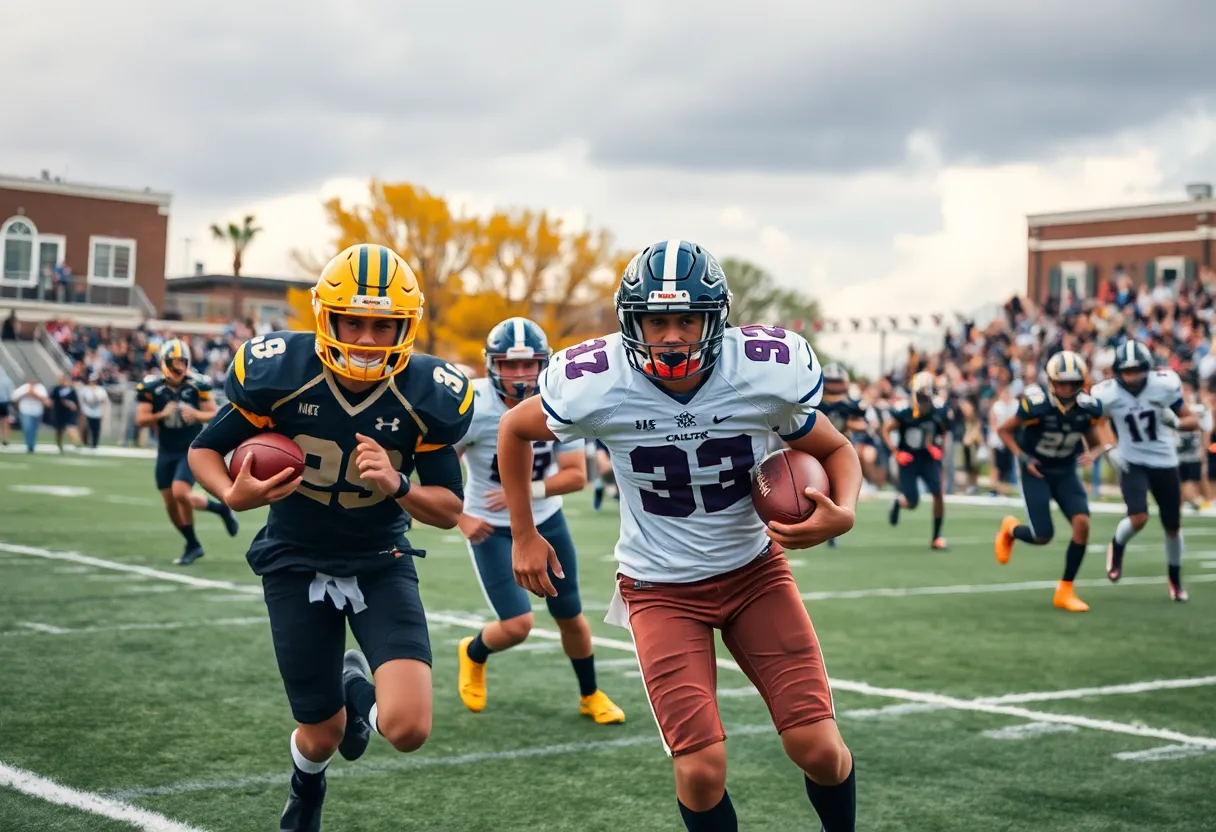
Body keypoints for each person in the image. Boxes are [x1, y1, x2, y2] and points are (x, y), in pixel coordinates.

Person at [498, 239, 861, 832]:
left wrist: (843, 510)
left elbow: (834, 447)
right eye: (656, 320)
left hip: (753, 574)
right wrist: (522, 533)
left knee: (818, 748)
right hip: (659, 587)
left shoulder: (762, 372)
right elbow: (515, 429)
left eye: (685, 320)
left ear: (714, 320)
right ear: (631, 321)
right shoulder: (599, 380)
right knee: (700, 769)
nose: (670, 336)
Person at [189, 243, 473, 832]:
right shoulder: (281, 373)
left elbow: (448, 510)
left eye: (384, 325)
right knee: (322, 735)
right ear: (327, 317)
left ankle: (358, 690)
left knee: (409, 729)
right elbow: (204, 451)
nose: (368, 338)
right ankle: (306, 785)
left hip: (379, 558)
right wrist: (231, 494)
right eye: (355, 322)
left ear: (406, 327)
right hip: (294, 556)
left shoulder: (428, 394)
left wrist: (398, 485)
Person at [453, 316, 624, 723]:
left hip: (546, 521)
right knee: (517, 625)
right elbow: (438, 470)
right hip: (490, 527)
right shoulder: (472, 404)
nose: (519, 374)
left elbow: (575, 475)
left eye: (528, 364)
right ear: (491, 365)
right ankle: (473, 651)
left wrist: (522, 492)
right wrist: (460, 517)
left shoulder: (561, 399)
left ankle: (591, 694)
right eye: (508, 364)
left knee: (570, 616)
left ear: (544, 364)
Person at [993, 351, 1118, 611]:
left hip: (1064, 470)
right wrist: (1023, 458)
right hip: (1036, 470)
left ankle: (1065, 589)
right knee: (1042, 536)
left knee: (1082, 523)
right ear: (1051, 382)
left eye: (1072, 383)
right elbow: (1004, 430)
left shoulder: (1087, 408)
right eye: (1061, 382)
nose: (1066, 388)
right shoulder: (1036, 404)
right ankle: (1010, 529)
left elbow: (1096, 442)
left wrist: (1093, 453)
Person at [1091, 341, 1199, 602]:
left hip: (1164, 460)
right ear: (1117, 372)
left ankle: (1174, 578)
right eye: (1127, 371)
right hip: (1131, 461)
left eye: (1138, 370)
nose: (1132, 376)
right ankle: (1117, 546)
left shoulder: (1164, 385)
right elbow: (1097, 422)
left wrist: (1175, 421)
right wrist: (1109, 447)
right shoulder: (1107, 393)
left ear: (1147, 369)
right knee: (1138, 517)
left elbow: (1192, 420)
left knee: (1173, 526)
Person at [136, 339, 239, 565]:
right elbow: (140, 419)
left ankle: (220, 509)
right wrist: (160, 415)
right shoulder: (151, 387)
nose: (178, 366)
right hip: (166, 450)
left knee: (180, 492)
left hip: (190, 448)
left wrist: (196, 414)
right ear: (164, 362)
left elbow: (214, 412)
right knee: (170, 504)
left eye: (182, 361)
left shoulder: (197, 384)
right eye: (174, 361)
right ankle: (192, 543)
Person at [882, 372, 952, 550]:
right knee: (912, 502)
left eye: (927, 396)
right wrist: (896, 452)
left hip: (928, 458)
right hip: (909, 459)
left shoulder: (938, 411)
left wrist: (938, 448)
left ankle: (936, 537)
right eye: (921, 395)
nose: (924, 400)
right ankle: (899, 502)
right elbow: (885, 430)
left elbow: (943, 432)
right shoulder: (905, 411)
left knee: (938, 493)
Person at [12, 376, 49, 453]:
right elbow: (14, 397)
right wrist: (25, 395)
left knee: (34, 430)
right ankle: (30, 446)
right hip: (25, 411)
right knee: (27, 428)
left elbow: (45, 399)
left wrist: (34, 394)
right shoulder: (23, 388)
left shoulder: (40, 388)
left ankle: (32, 444)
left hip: (37, 411)